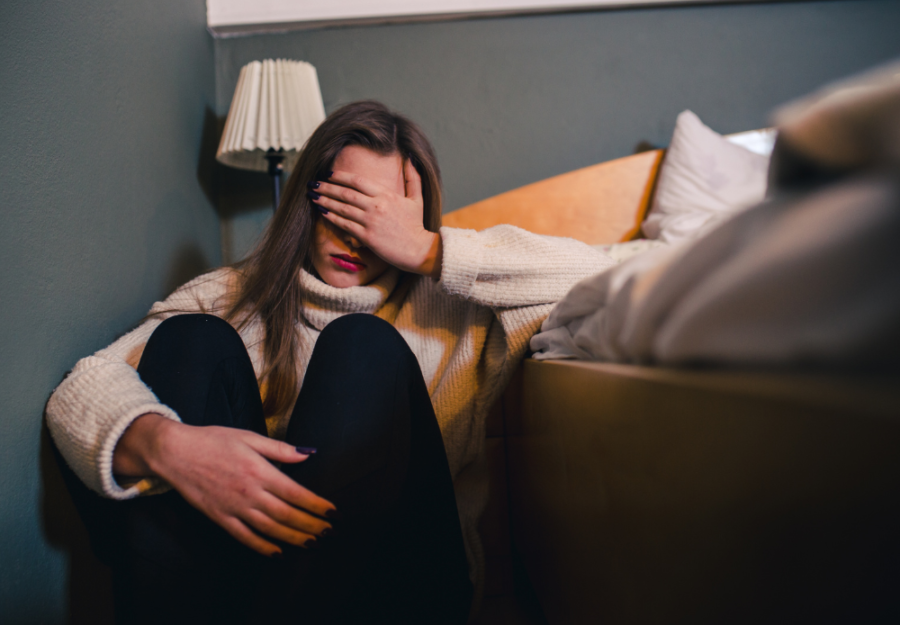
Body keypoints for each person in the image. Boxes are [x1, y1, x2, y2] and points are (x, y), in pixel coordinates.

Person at [46, 100, 614, 623]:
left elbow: (614, 281)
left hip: (399, 589)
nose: (357, 233)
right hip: (241, 585)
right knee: (189, 339)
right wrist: (169, 447)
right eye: (342, 204)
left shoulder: (462, 306)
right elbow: (82, 387)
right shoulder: (233, 295)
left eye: (378, 214)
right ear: (306, 201)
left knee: (360, 345)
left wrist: (429, 250)